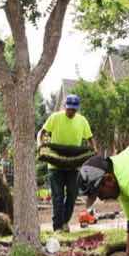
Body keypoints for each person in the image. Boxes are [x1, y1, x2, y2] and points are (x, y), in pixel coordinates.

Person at [41, 94, 95, 232]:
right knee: (57, 196)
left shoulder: (82, 121)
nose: (71, 112)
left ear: (77, 109)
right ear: (65, 106)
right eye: (69, 109)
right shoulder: (55, 117)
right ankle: (57, 226)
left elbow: (90, 139)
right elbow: (43, 132)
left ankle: (65, 222)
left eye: (74, 110)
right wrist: (42, 146)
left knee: (72, 194)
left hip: (73, 164)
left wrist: (94, 152)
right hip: (55, 165)